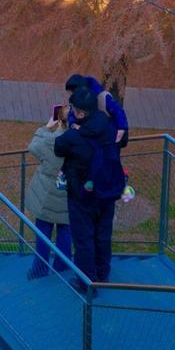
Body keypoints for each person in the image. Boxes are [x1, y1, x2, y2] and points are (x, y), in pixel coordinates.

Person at [54, 86, 125, 291]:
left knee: (84, 238)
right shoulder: (108, 125)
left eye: (73, 109)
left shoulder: (75, 137)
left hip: (82, 195)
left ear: (81, 113)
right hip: (107, 191)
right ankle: (102, 275)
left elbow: (59, 146)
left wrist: (72, 128)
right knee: (103, 234)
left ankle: (86, 282)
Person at [25, 107, 72, 280]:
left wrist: (46, 127)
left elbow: (33, 146)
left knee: (43, 233)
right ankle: (63, 267)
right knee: (66, 232)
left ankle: (39, 269)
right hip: (69, 194)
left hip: (47, 193)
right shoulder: (80, 140)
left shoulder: (52, 140)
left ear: (59, 120)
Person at [64, 73, 129, 146]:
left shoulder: (103, 97)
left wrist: (121, 128)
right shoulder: (77, 100)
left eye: (71, 93)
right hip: (91, 137)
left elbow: (118, 111)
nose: (71, 96)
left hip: (109, 139)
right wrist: (73, 124)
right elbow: (72, 114)